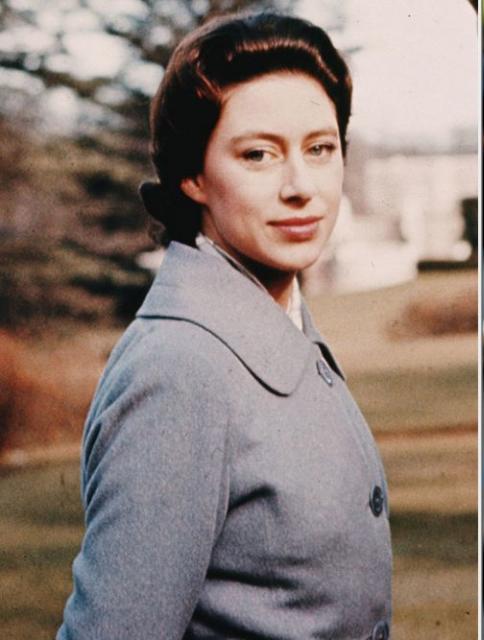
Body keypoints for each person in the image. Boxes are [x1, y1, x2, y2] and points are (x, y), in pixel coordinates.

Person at [58, 13, 392, 639]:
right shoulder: (179, 369)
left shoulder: (276, 325)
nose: (301, 187)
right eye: (258, 154)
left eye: (320, 148)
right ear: (192, 176)